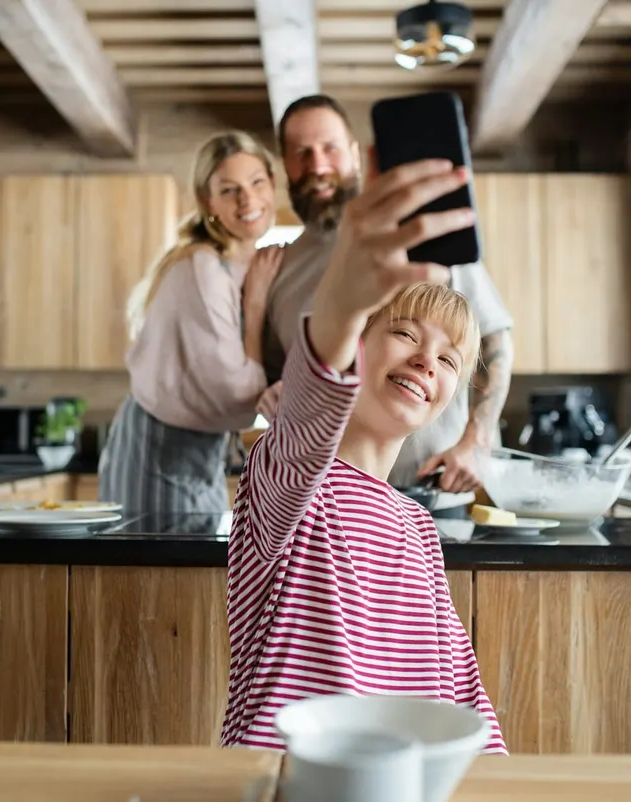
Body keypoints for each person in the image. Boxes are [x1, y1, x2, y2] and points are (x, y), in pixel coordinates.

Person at [220, 154, 507, 754]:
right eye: (404, 333)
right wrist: (345, 302)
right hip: (284, 785)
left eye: (449, 360)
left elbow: (464, 698)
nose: (428, 361)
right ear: (355, 348)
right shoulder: (284, 478)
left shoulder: (418, 528)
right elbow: (305, 416)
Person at [258, 95, 515, 512]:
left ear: (358, 156)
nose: (318, 165)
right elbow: (280, 376)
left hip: (439, 495)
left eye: (330, 148)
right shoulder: (278, 265)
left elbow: (493, 339)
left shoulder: (417, 230)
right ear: (284, 164)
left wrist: (475, 442)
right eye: (301, 153)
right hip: (331, 511)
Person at [98, 131, 284, 513]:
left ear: (272, 185)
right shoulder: (205, 268)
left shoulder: (241, 264)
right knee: (152, 570)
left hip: (199, 449)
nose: (247, 199)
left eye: (256, 182)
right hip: (158, 447)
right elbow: (237, 389)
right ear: (207, 200)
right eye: (229, 190)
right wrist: (257, 304)